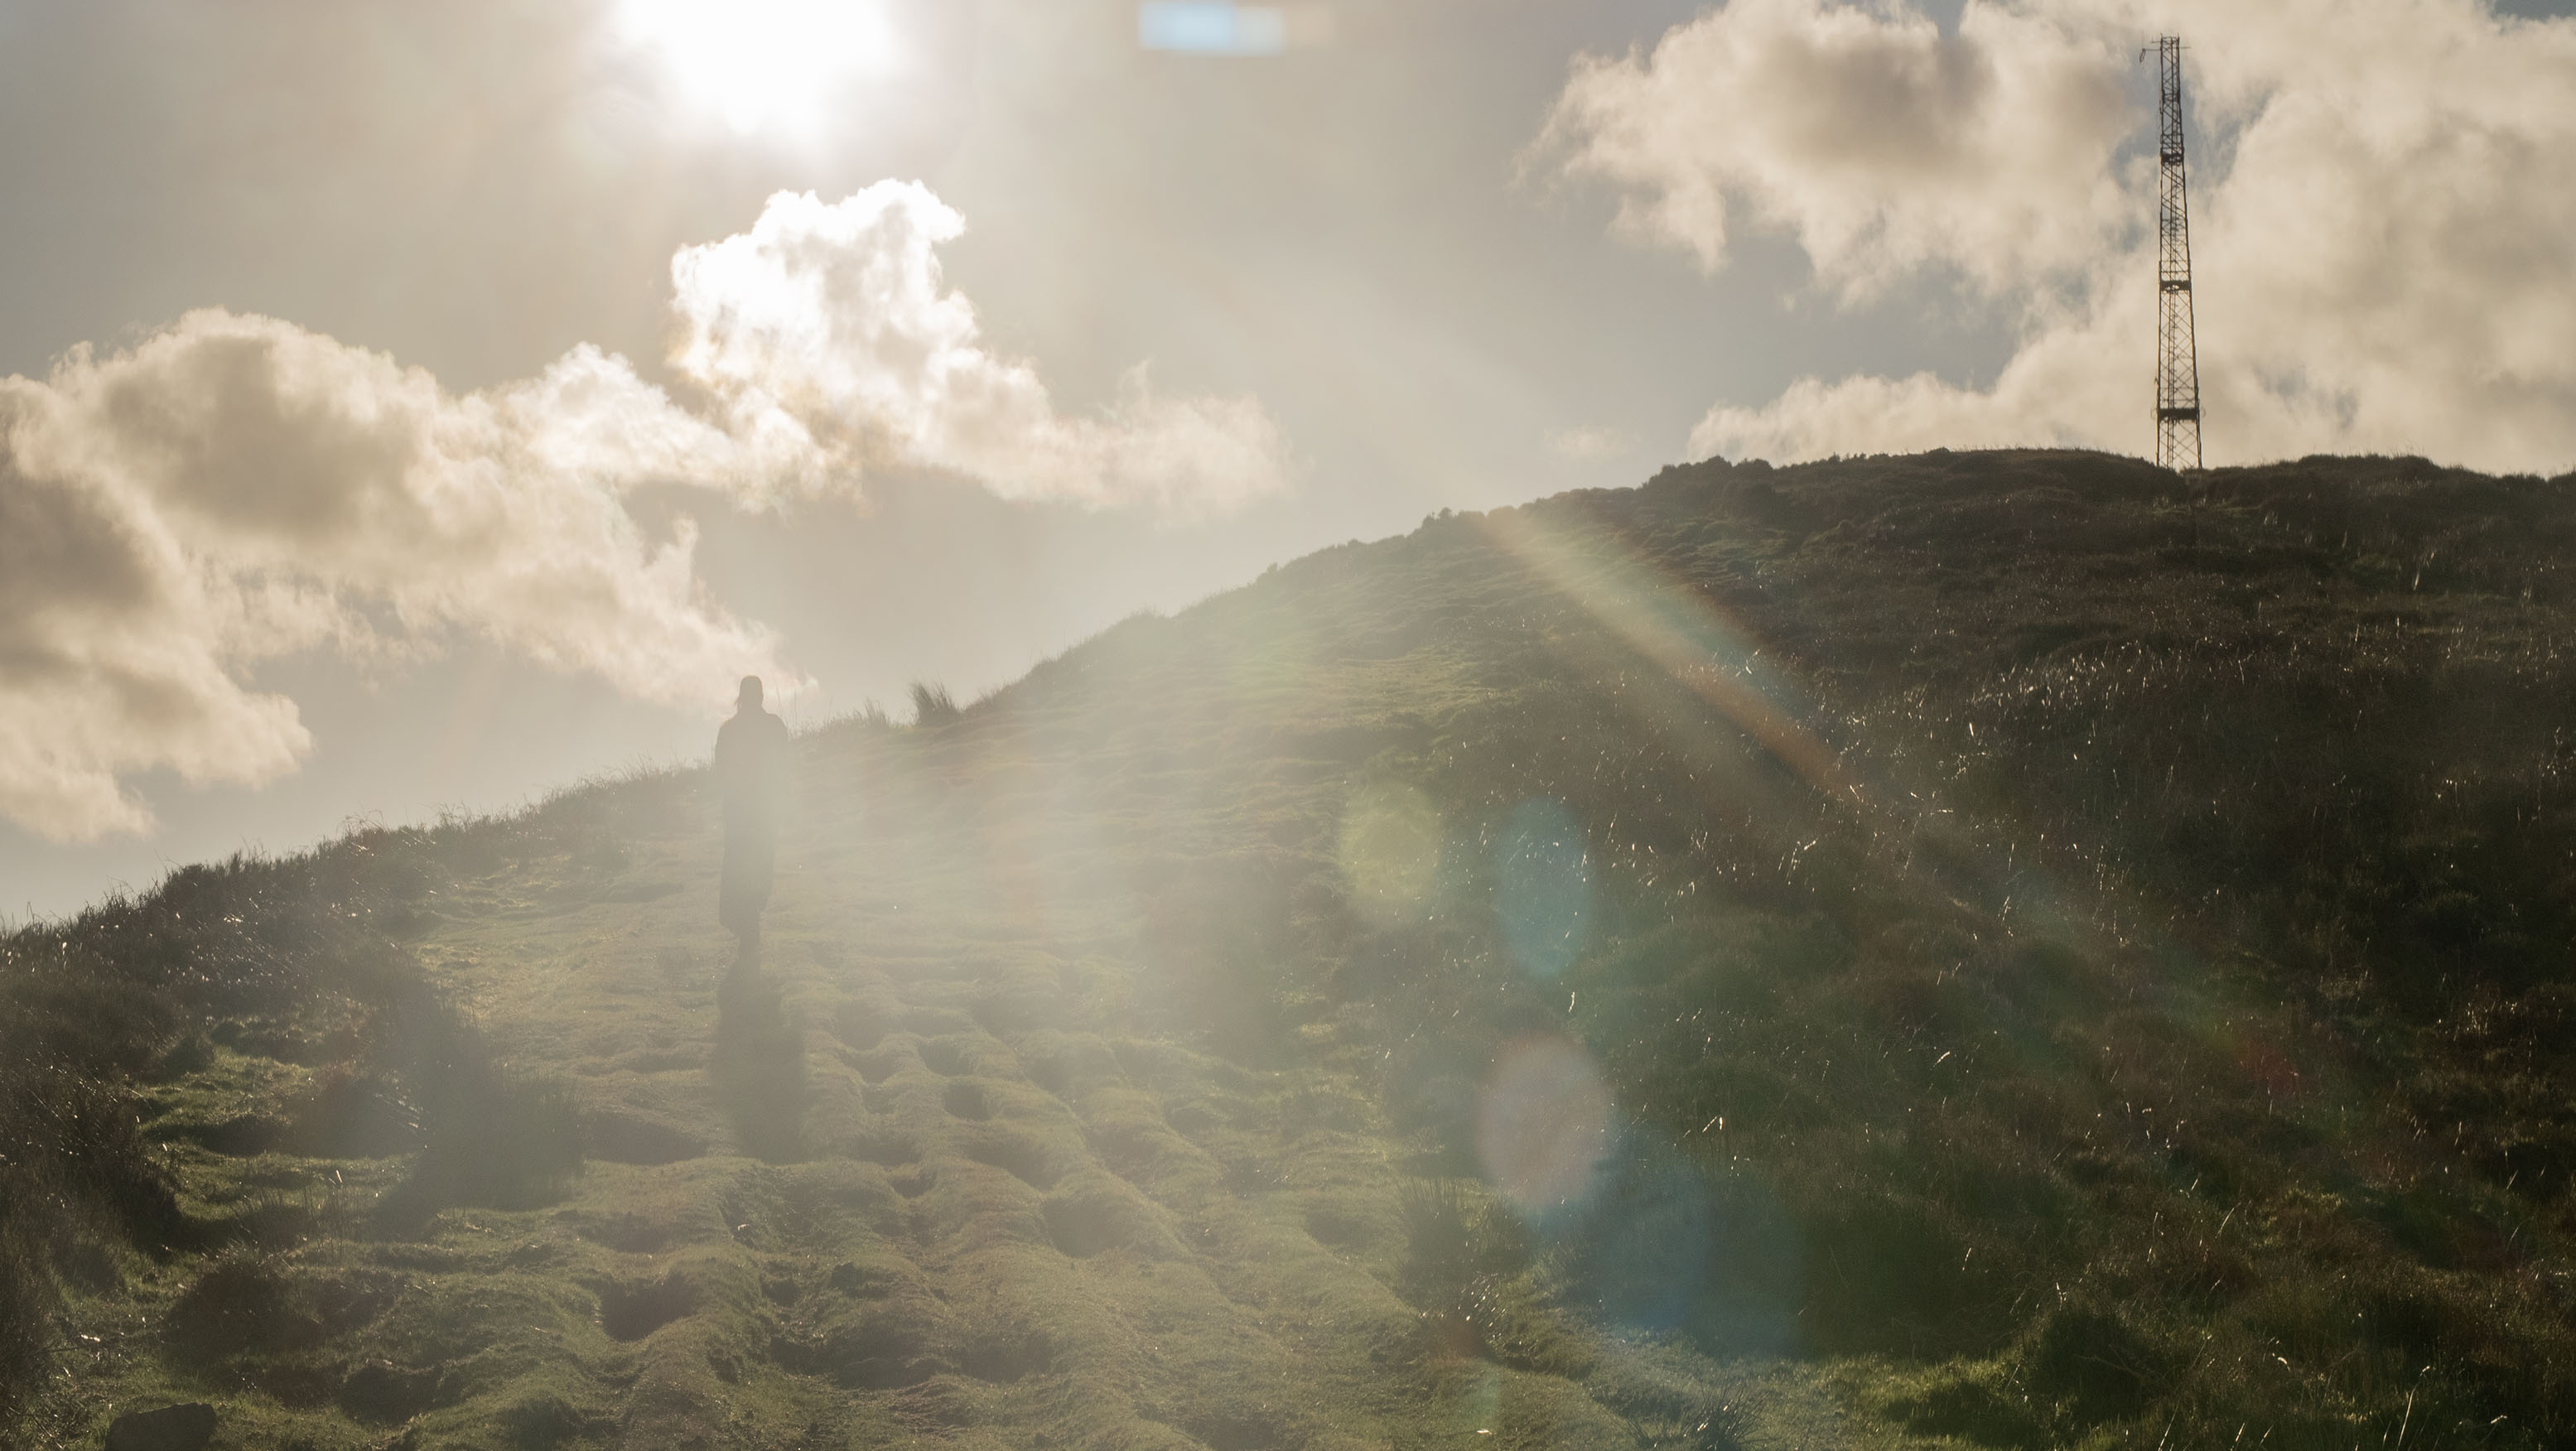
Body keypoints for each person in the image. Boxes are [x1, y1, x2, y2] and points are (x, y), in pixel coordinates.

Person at [714, 675, 792, 953]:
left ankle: (745, 920)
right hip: (763, 809)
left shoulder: (730, 730)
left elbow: (720, 771)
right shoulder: (773, 726)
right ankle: (750, 919)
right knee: (759, 862)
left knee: (740, 864)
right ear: (758, 696)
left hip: (740, 811)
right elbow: (783, 766)